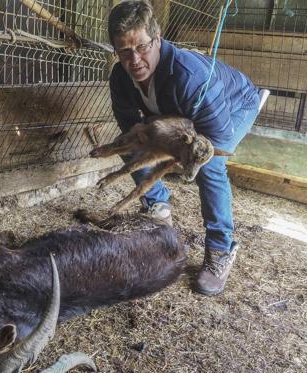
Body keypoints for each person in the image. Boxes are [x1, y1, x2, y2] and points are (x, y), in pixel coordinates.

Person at [107, 0, 261, 296]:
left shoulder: (190, 77)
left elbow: (213, 139)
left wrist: (185, 154)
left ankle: (220, 249)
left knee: (210, 165)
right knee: (131, 146)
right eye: (124, 51)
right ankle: (158, 207)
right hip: (180, 112)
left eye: (141, 47)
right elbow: (130, 132)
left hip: (236, 102)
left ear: (158, 38)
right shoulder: (121, 78)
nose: (134, 59)